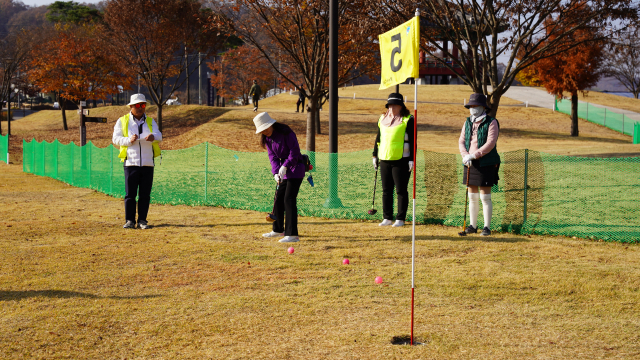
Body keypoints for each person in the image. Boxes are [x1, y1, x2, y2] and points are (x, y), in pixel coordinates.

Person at [112, 93, 162, 229]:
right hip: (131, 163)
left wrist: (153, 136)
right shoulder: (122, 121)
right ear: (131, 107)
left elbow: (159, 135)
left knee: (145, 195)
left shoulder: (151, 121)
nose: (140, 108)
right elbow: (115, 139)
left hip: (147, 163)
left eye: (143, 105)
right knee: (130, 195)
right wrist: (129, 140)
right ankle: (129, 221)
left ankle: (142, 221)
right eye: (137, 105)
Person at [254, 112, 305, 243]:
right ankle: (277, 230)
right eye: (262, 130)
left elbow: (295, 152)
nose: (264, 131)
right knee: (278, 198)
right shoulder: (267, 139)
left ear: (271, 124)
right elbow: (273, 157)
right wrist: (276, 173)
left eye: (265, 128)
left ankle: (292, 234)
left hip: (296, 169)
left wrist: (286, 166)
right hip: (283, 171)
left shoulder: (286, 132)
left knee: (289, 199)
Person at [458, 93, 501, 236]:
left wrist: (474, 155)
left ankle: (487, 227)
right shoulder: (467, 122)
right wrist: (465, 156)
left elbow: (490, 143)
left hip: (486, 163)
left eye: (475, 106)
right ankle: (472, 225)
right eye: (471, 106)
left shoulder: (491, 122)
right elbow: (462, 141)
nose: (472, 108)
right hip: (470, 162)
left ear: (483, 107)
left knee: (485, 197)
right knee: (472, 196)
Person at [372, 93, 415, 227]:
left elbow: (413, 141)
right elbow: (378, 139)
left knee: (401, 190)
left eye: (394, 105)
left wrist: (412, 159)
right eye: (390, 105)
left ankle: (400, 219)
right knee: (386, 190)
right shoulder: (382, 119)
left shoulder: (408, 119)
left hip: (402, 159)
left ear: (401, 106)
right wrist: (374, 156)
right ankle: (387, 217)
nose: (391, 108)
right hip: (384, 158)